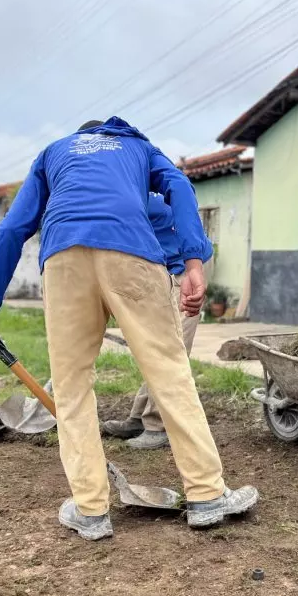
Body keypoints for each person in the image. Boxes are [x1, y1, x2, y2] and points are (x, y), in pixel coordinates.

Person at [0, 117, 258, 541]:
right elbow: (178, 187)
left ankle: (90, 511)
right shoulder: (138, 147)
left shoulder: (53, 152)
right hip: (132, 253)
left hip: (63, 259)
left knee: (71, 387)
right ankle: (207, 495)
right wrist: (193, 260)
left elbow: (12, 228)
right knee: (169, 373)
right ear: (113, 133)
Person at [101, 192, 211, 450]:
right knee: (156, 349)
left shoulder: (137, 197)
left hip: (185, 271)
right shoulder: (122, 193)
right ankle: (139, 417)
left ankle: (158, 426)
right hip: (163, 270)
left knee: (171, 350)